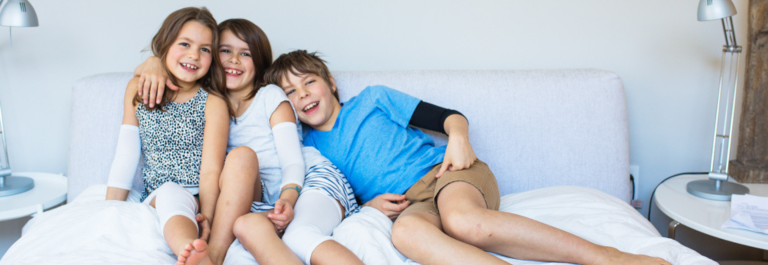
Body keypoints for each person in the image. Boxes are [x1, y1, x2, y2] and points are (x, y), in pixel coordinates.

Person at [262, 50, 672, 265]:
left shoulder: (373, 99)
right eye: (291, 94)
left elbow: (448, 117)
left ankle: (607, 257)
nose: (303, 97)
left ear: (330, 82)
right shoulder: (310, 147)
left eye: (309, 83)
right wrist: (364, 206)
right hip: (411, 203)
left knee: (462, 221)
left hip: (448, 173)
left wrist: (458, 136)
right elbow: (330, 192)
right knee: (406, 236)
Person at [134, 19, 362, 265]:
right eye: (225, 51)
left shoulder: (270, 96)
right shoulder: (208, 103)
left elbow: (293, 162)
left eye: (245, 53)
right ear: (210, 56)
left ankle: (214, 256)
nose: (234, 59)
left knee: (298, 233)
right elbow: (167, 68)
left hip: (305, 182)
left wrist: (288, 197)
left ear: (259, 62)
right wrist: (153, 61)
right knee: (246, 225)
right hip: (263, 199)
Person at [105, 7, 231, 265]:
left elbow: (210, 170)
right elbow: (126, 155)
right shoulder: (138, 89)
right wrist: (108, 211)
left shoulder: (213, 103)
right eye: (184, 43)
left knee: (177, 195)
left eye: (205, 49)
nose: (194, 55)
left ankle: (195, 250)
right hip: (158, 194)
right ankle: (190, 249)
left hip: (197, 196)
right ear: (165, 44)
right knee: (171, 193)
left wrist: (206, 217)